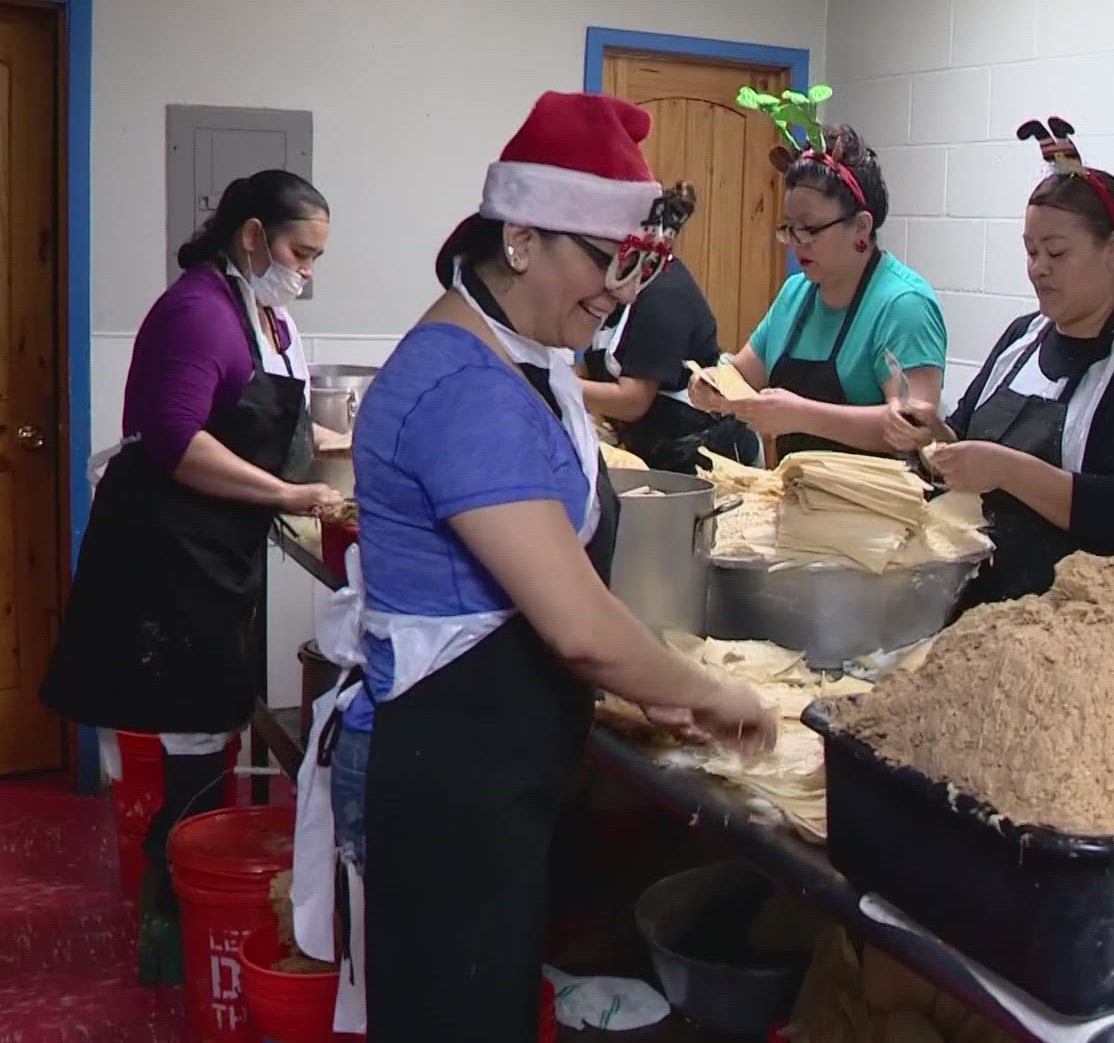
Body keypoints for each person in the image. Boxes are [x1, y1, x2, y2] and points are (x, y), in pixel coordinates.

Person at [289, 91, 775, 1042]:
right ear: (521, 238)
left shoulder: (526, 354)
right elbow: (580, 630)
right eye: (604, 264)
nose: (616, 296)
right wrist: (716, 694)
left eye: (636, 268)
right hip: (449, 780)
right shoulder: (462, 389)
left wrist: (653, 682)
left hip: (498, 768)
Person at [40, 169, 341, 981]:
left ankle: (189, 907)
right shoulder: (196, 312)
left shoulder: (263, 315)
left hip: (216, 545)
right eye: (298, 253)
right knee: (195, 737)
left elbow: (270, 409)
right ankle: (176, 935)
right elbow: (176, 440)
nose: (305, 271)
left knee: (210, 722)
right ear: (251, 236)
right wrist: (288, 491)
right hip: (169, 550)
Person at [918, 117, 1114, 614]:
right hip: (994, 607)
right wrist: (931, 435)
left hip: (1105, 617)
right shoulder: (1021, 338)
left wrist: (1006, 469)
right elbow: (963, 436)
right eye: (1030, 252)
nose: (1037, 268)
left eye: (1056, 252)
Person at [692, 94, 945, 461]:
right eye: (789, 229)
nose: (797, 243)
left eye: (810, 229)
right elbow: (744, 374)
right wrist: (712, 384)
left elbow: (914, 427)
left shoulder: (903, 304)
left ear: (861, 227)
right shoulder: (796, 293)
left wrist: (802, 415)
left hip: (878, 509)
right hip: (799, 497)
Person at [577, 182, 760, 472]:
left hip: (701, 458)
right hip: (649, 449)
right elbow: (590, 367)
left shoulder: (664, 295)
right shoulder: (618, 288)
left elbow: (632, 401)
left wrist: (557, 383)